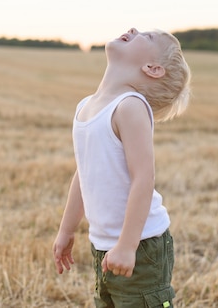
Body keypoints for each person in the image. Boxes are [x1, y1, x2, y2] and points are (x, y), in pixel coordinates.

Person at [53, 28, 191, 307]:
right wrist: (67, 230)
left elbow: (144, 178)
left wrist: (127, 246)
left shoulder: (129, 107)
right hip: (103, 246)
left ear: (152, 68)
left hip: (140, 246)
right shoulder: (86, 106)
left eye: (147, 36)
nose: (133, 29)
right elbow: (84, 174)